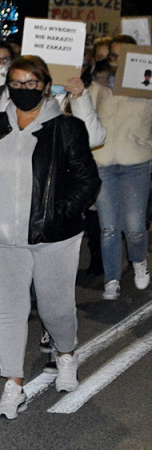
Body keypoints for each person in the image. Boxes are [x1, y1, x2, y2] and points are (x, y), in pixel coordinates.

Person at [0, 55, 101, 419]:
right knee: (7, 312)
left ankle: (67, 353)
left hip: (53, 237)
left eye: (31, 83)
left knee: (55, 307)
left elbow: (88, 181)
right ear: (7, 86)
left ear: (44, 85)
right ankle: (13, 384)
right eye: (16, 83)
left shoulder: (67, 128)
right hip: (2, 238)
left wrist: (60, 214)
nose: (23, 90)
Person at [89, 36, 152, 299]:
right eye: (113, 56)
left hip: (136, 163)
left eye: (124, 55)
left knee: (135, 226)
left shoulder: (146, 83)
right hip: (103, 163)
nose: (117, 60)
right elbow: (85, 116)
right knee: (109, 228)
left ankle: (139, 260)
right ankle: (112, 278)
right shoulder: (98, 84)